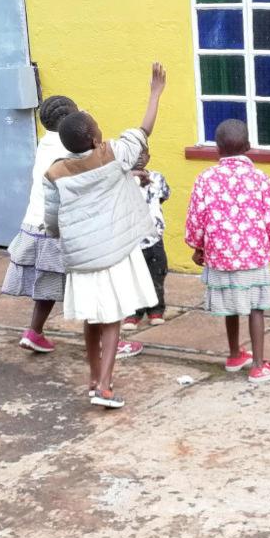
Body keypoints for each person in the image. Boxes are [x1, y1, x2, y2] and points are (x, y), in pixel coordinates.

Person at [42, 63, 167, 409]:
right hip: (113, 253)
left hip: (81, 256)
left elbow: (51, 219)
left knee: (92, 318)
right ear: (96, 138)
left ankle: (94, 378)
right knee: (112, 318)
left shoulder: (55, 172)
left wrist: (61, 236)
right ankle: (105, 387)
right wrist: (155, 92)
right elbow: (144, 130)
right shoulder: (113, 154)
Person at [185, 119, 270, 384]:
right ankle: (257, 365)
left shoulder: (205, 179)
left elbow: (197, 217)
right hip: (253, 257)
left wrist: (198, 247)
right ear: (249, 147)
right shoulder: (262, 179)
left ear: (217, 149)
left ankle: (234, 355)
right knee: (256, 308)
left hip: (219, 257)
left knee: (231, 306)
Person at [2, 95, 77, 354]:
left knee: (48, 282)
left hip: (34, 226)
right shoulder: (70, 147)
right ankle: (108, 339)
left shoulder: (45, 143)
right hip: (59, 229)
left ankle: (34, 332)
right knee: (92, 283)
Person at [122, 147, 171, 330]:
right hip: (131, 241)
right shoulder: (122, 180)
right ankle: (134, 312)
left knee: (157, 273)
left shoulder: (157, 178)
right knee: (133, 276)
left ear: (148, 157)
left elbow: (163, 198)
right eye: (134, 155)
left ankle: (156, 309)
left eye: (143, 154)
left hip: (154, 238)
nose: (139, 159)